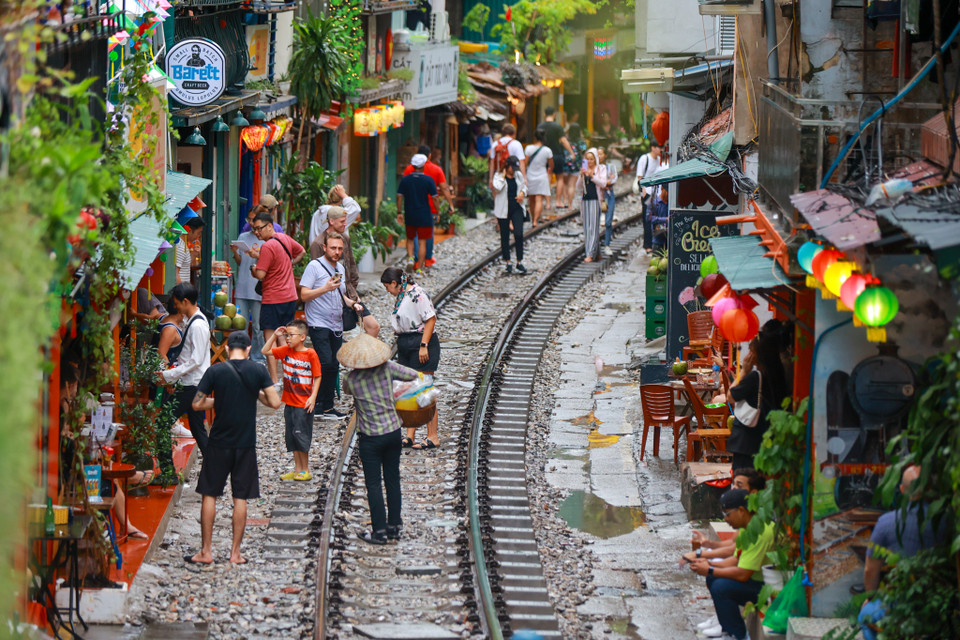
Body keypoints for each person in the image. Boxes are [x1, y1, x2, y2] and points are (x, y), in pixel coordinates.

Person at [188, 332, 281, 565]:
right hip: (245, 443)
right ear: (249, 349)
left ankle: (206, 552)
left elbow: (197, 404)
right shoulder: (258, 371)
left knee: (210, 494)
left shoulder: (215, 371)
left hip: (218, 442)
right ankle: (235, 554)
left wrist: (219, 400)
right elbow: (274, 402)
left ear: (228, 349)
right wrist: (253, 393)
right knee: (240, 497)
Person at [338, 333, 419, 545]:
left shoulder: (351, 380)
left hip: (370, 438)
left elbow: (347, 391)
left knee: (373, 484)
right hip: (393, 432)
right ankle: (394, 526)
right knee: (392, 479)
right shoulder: (388, 368)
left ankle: (379, 532)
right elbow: (412, 375)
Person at [858, 465, 946, 640]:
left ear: (902, 490)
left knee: (865, 615)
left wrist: (871, 598)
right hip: (939, 606)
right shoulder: (946, 520)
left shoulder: (886, 523)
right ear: (929, 489)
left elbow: (870, 570)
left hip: (896, 605)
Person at [688, 489, 776, 640]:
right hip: (755, 579)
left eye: (727, 514)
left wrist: (709, 569)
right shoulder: (749, 526)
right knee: (714, 580)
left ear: (741, 510)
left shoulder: (760, 531)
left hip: (768, 587)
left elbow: (743, 574)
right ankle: (727, 628)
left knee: (721, 587)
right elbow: (735, 559)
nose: (726, 519)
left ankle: (738, 635)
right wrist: (708, 564)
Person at [300, 231, 363, 420]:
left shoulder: (341, 269)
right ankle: (318, 404)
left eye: (340, 249)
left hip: (336, 324)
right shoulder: (314, 266)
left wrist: (352, 303)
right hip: (318, 323)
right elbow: (303, 295)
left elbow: (339, 293)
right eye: (333, 248)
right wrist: (324, 288)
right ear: (325, 248)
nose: (336, 252)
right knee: (326, 363)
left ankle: (327, 407)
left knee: (334, 364)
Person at [380, 267, 440, 449]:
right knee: (408, 390)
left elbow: (431, 319)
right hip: (405, 343)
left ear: (394, 283)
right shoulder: (401, 296)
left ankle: (433, 435)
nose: (386, 291)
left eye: (387, 287)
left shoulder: (417, 294)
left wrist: (423, 345)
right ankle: (410, 435)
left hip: (420, 343)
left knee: (425, 390)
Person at [157, 283, 211, 465]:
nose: (176, 307)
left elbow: (195, 360)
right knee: (197, 429)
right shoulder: (193, 321)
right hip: (193, 383)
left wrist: (169, 376)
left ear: (185, 301)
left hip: (192, 385)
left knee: (162, 422)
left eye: (177, 303)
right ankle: (215, 463)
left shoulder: (197, 326)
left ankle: (167, 472)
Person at [250, 211, 306, 385]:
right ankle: (289, 378)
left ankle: (274, 380)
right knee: (285, 337)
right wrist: (289, 263)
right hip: (290, 296)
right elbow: (302, 251)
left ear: (269, 226)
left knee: (271, 338)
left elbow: (260, 274)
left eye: (259, 229)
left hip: (273, 298)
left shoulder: (267, 247)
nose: (257, 233)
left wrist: (253, 268)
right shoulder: (284, 238)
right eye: (254, 229)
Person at [262, 319, 321, 481]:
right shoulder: (285, 350)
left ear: (302, 337)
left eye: (291, 335)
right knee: (292, 436)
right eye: (286, 335)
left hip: (304, 403)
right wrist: (275, 335)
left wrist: (313, 397)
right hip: (289, 402)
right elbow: (265, 351)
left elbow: (317, 376)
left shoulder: (310, 354)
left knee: (302, 435)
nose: (287, 338)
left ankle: (305, 469)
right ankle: (297, 469)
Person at [309, 206, 380, 337]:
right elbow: (317, 276)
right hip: (330, 299)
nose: (345, 224)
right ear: (331, 221)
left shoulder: (345, 238)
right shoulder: (318, 244)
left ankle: (360, 357)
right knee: (337, 336)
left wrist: (353, 291)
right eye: (342, 221)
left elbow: (351, 266)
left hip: (348, 295)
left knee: (373, 327)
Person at [726, 336, 789, 470]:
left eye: (751, 351)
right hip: (765, 437)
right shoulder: (778, 374)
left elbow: (730, 396)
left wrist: (743, 371)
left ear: (757, 355)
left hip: (747, 440)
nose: (748, 355)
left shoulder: (755, 377)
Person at [403, 145, 456, 267]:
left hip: (411, 207)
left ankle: (415, 259)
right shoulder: (436, 169)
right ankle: (426, 259)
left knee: (414, 234)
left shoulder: (409, 169)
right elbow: (444, 188)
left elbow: (403, 189)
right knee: (427, 234)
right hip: (430, 208)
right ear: (430, 156)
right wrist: (451, 204)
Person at [232, 207, 268, 364]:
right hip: (242, 286)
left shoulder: (266, 240)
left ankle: (257, 357)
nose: (252, 223)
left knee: (258, 327)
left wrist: (257, 255)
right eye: (250, 220)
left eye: (254, 220)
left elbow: (269, 262)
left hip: (258, 288)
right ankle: (241, 356)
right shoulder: (243, 237)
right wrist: (235, 252)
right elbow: (240, 262)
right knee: (241, 325)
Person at [396, 154, 438, 272]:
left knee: (410, 238)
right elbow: (435, 198)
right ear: (423, 165)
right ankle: (419, 269)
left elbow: (399, 196)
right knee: (422, 242)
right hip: (424, 215)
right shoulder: (428, 180)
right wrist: (438, 212)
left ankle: (410, 258)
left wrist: (399, 212)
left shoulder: (405, 180)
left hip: (410, 214)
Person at [492, 156, 528, 274]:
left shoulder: (518, 175)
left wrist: (522, 193)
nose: (514, 170)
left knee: (518, 233)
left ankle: (519, 261)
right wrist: (503, 176)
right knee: (505, 236)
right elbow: (497, 188)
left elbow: (524, 187)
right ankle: (508, 261)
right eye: (512, 167)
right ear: (507, 166)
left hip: (517, 207)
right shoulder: (498, 176)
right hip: (503, 210)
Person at [536, 106, 575, 210]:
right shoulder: (557, 126)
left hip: (544, 155)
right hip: (557, 155)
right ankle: (558, 201)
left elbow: (538, 142)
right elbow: (563, 140)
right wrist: (571, 152)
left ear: (544, 114)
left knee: (547, 178)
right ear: (554, 114)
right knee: (560, 178)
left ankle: (548, 203)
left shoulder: (540, 126)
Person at [575, 148, 608, 263]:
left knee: (593, 228)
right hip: (585, 200)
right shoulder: (584, 170)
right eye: (587, 159)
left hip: (595, 200)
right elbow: (578, 187)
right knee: (586, 227)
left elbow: (603, 183)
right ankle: (597, 253)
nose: (589, 161)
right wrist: (581, 175)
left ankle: (590, 254)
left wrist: (592, 176)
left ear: (595, 159)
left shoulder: (601, 169)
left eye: (591, 159)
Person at [636, 142, 664, 254]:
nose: (661, 149)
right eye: (660, 147)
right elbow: (640, 176)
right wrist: (643, 192)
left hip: (656, 194)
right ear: (653, 148)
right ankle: (647, 245)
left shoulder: (658, 160)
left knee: (656, 219)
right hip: (647, 193)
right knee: (647, 219)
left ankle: (655, 242)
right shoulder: (645, 158)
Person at [524, 130, 553, 227]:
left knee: (531, 198)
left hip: (530, 175)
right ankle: (535, 221)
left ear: (535, 137)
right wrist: (549, 171)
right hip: (542, 176)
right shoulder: (547, 150)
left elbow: (525, 163)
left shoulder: (528, 148)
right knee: (539, 199)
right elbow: (551, 165)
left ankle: (533, 219)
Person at [488, 123, 526, 188]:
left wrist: (491, 179)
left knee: (499, 197)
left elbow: (492, 163)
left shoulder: (495, 144)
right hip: (513, 176)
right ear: (513, 133)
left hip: (498, 175)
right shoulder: (516, 144)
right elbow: (521, 162)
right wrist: (524, 178)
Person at [597, 147, 618, 254]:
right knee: (595, 221)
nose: (599, 156)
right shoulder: (594, 168)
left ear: (605, 155)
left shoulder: (611, 167)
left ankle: (607, 244)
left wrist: (601, 182)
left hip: (609, 195)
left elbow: (613, 180)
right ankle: (596, 245)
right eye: (597, 154)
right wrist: (605, 182)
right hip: (598, 195)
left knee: (608, 221)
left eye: (601, 154)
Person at [560, 123, 587, 210]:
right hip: (576, 164)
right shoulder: (581, 141)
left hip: (565, 163)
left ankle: (564, 201)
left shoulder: (565, 140)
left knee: (565, 183)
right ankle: (570, 204)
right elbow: (584, 152)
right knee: (572, 185)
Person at [175, 217, 204, 284]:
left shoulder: (183, 245)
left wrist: (193, 255)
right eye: (198, 233)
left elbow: (184, 265)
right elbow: (176, 274)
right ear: (189, 230)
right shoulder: (180, 247)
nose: (199, 236)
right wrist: (182, 292)